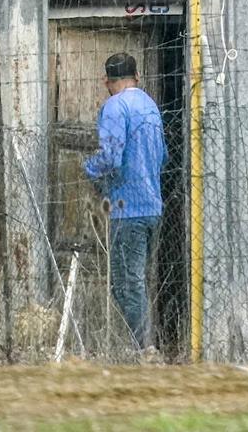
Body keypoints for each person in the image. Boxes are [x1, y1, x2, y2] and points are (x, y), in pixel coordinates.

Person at [84, 52, 167, 352]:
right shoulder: (150, 107)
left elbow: (111, 158)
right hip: (152, 206)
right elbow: (163, 157)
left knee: (126, 284)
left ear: (107, 81)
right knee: (139, 280)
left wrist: (89, 170)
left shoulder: (115, 107)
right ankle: (143, 345)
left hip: (126, 208)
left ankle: (145, 349)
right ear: (137, 77)